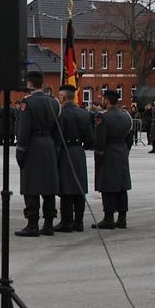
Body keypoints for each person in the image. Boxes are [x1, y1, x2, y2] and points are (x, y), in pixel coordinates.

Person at [14, 71, 61, 237]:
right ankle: (49, 224)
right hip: (49, 145)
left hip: (33, 146)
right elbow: (57, 130)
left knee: (31, 186)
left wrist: (20, 151)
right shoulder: (54, 103)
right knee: (49, 187)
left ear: (30, 84)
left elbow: (24, 130)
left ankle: (32, 224)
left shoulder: (28, 103)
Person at [54, 85, 93, 233]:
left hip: (65, 152)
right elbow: (90, 138)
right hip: (79, 151)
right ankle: (79, 222)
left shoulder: (61, 114)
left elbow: (57, 136)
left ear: (63, 97)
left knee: (66, 188)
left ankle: (66, 221)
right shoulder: (84, 113)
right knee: (79, 188)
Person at [92, 89, 133, 229]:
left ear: (106, 100)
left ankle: (108, 217)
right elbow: (130, 139)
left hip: (108, 152)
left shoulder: (103, 117)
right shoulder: (126, 116)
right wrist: (125, 151)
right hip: (121, 152)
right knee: (122, 186)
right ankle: (122, 218)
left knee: (108, 186)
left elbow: (100, 140)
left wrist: (98, 156)